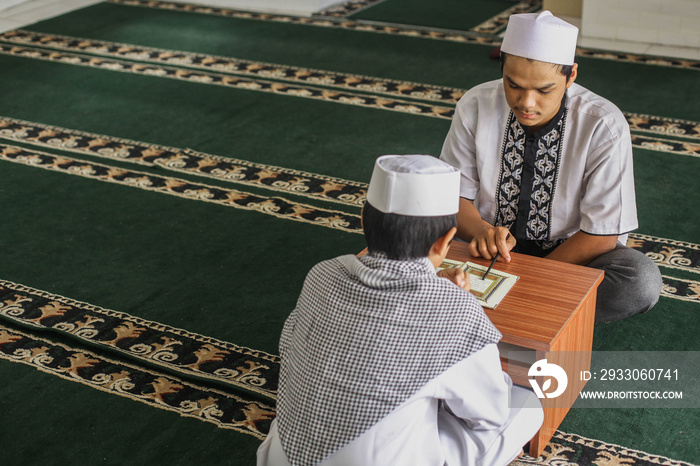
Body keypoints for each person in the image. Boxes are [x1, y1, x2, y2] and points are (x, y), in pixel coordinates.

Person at [257, 155, 543, 466]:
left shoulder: (322, 273)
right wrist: (448, 303)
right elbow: (491, 413)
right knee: (526, 404)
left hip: (283, 457)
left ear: (364, 219)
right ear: (446, 240)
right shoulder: (453, 310)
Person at [440, 11, 662, 323]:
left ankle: (485, 307)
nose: (526, 102)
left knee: (640, 281)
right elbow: (452, 197)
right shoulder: (475, 105)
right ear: (501, 66)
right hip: (486, 253)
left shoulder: (603, 126)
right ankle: (531, 313)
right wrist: (481, 232)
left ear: (571, 75)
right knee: (400, 217)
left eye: (544, 90)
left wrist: (531, 279)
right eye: (513, 84)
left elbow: (600, 236)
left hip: (569, 259)